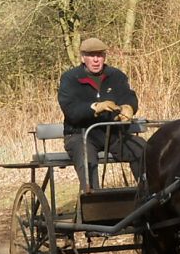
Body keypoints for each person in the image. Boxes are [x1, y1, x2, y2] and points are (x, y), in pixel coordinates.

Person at [58, 37, 145, 192]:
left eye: (99, 55)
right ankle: (93, 202)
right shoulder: (70, 79)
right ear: (83, 57)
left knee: (141, 148)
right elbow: (71, 111)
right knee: (86, 160)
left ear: (104, 57)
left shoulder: (116, 76)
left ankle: (149, 195)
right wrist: (95, 107)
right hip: (80, 135)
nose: (96, 60)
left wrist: (129, 108)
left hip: (113, 134)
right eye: (91, 56)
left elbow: (128, 96)